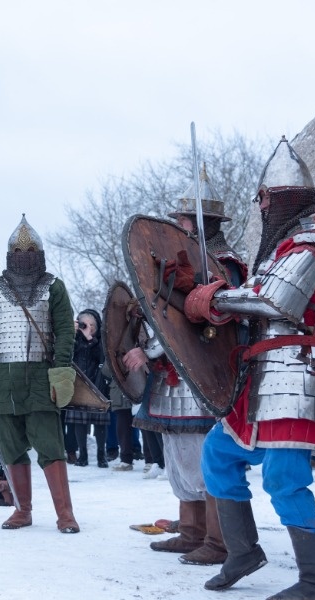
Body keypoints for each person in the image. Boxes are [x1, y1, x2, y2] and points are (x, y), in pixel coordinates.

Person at [185, 137, 315, 600]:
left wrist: (213, 300)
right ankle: (243, 552)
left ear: (279, 196)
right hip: (264, 376)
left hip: (300, 376)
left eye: (262, 197)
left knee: (284, 475)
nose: (259, 205)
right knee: (219, 455)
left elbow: (275, 301)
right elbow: (259, 294)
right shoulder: (284, 245)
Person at [122, 174, 246, 566]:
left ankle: (217, 538)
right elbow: (162, 313)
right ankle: (191, 532)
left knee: (206, 456)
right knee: (178, 455)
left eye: (186, 221)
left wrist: (151, 350)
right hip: (171, 375)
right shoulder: (178, 261)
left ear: (203, 223)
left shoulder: (224, 266)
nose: (179, 226)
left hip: (204, 371)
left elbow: (199, 322)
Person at [0, 215, 80, 533]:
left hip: (40, 376)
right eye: (18, 252)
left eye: (29, 252)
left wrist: (60, 372)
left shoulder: (54, 287)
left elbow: (64, 334)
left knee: (50, 446)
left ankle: (65, 514)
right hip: (1, 378)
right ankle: (22, 510)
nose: (24, 257)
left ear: (39, 255)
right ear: (9, 256)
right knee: (10, 446)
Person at [65, 309, 109, 468]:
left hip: (97, 384)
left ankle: (101, 455)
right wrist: (73, 333)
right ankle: (82, 455)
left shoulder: (101, 341)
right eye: (84, 323)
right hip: (78, 384)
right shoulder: (73, 339)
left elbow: (102, 358)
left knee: (100, 424)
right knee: (79, 423)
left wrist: (90, 338)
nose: (88, 327)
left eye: (92, 324)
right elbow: (68, 354)